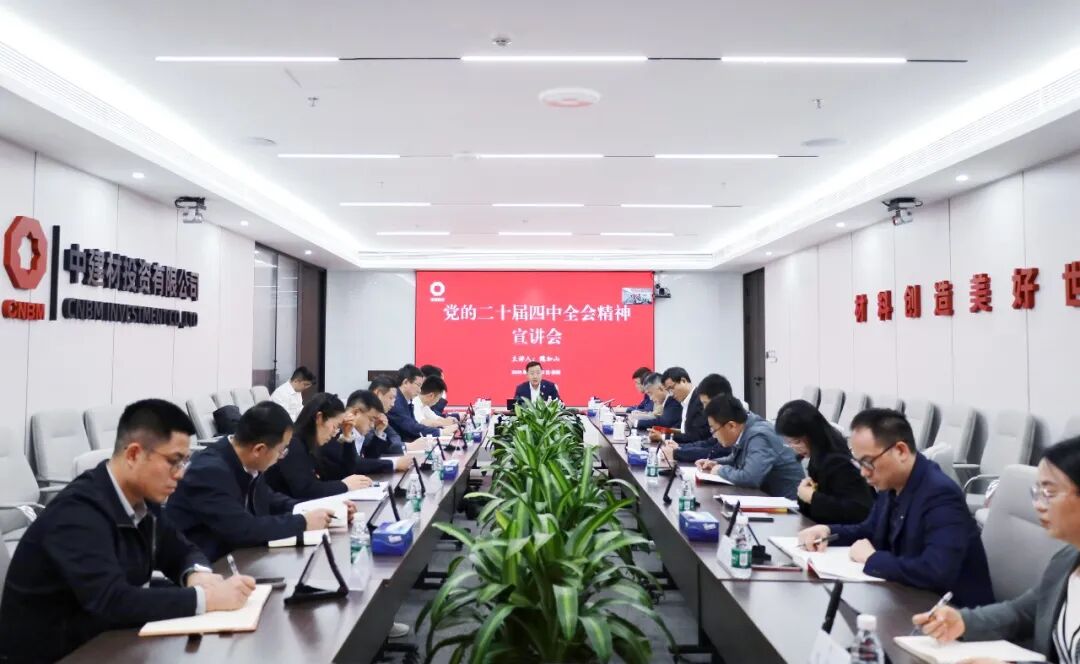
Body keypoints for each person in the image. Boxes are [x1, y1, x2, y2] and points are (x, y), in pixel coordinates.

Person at [0, 399, 256, 663]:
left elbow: (179, 549)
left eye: (184, 462)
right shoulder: (76, 514)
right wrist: (206, 598)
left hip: (108, 641)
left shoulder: (142, 499)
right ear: (133, 455)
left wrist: (196, 574)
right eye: (174, 462)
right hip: (59, 654)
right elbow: (112, 601)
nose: (180, 474)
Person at [798, 408, 993, 608]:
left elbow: (936, 570)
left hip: (952, 613)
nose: (863, 473)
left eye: (868, 463)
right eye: (859, 464)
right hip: (907, 598)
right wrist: (828, 531)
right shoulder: (891, 484)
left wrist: (873, 558)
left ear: (900, 451)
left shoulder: (940, 494)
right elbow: (869, 530)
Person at [910, 436, 1080, 662]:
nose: (1038, 504)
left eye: (1049, 493)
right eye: (1036, 492)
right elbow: (1024, 612)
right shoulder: (1067, 559)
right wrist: (963, 622)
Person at [165, 401, 339, 562]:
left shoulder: (247, 460)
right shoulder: (209, 472)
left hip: (238, 556)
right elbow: (242, 529)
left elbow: (268, 498)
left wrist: (313, 509)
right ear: (259, 450)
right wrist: (303, 522)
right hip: (206, 565)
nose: (282, 457)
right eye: (282, 451)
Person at [774, 399, 875, 524]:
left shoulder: (838, 462)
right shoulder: (818, 457)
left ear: (813, 433)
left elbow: (859, 511)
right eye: (789, 443)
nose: (794, 448)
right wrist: (804, 495)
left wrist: (812, 497)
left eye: (797, 441)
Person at [265, 393, 374, 499]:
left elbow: (343, 473)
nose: (335, 433)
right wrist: (344, 485)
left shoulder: (312, 445)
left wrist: (347, 436)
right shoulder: (293, 444)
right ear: (319, 418)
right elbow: (305, 490)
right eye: (335, 426)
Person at [696, 395, 804, 499]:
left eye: (714, 429)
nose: (714, 435)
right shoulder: (746, 426)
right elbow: (736, 458)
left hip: (787, 504)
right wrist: (715, 463)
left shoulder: (759, 436)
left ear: (731, 425)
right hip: (767, 496)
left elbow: (750, 478)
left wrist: (721, 470)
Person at [317, 390, 413, 479]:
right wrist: (394, 464)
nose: (372, 425)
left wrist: (379, 432)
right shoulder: (335, 432)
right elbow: (357, 464)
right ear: (356, 413)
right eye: (371, 419)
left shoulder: (358, 432)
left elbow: (369, 459)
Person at [661, 373, 736, 463]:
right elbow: (710, 443)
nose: (704, 408)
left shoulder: (731, 421)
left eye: (705, 403)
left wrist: (676, 453)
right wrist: (680, 447)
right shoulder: (722, 416)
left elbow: (717, 452)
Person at [389, 365, 454, 442]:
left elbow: (414, 425)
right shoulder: (396, 402)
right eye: (418, 385)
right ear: (406, 382)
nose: (420, 390)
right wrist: (441, 432)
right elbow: (412, 427)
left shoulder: (407, 401)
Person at [648, 367, 707, 446]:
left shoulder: (700, 401)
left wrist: (663, 436)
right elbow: (684, 431)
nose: (671, 394)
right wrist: (663, 432)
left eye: (671, 388)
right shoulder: (685, 401)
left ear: (683, 381)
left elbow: (695, 437)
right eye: (668, 391)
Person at [368, 376, 405, 454]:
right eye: (391, 398)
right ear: (378, 394)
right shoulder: (364, 415)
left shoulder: (380, 416)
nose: (393, 404)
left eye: (394, 399)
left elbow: (395, 436)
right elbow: (370, 446)